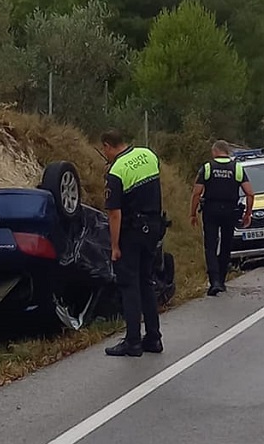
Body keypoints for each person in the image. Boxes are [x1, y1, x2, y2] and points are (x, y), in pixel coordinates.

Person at [101, 129, 164, 357]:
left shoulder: (116, 171)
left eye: (104, 150)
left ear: (108, 146)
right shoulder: (148, 154)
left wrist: (115, 246)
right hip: (154, 228)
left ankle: (133, 342)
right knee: (146, 281)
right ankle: (154, 338)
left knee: (129, 285)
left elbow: (114, 214)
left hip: (132, 233)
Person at [190, 140, 255, 296]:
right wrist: (248, 213)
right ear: (227, 152)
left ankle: (214, 282)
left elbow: (197, 193)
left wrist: (192, 213)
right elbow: (250, 193)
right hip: (230, 211)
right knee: (226, 244)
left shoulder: (207, 168)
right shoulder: (237, 168)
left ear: (215, 151)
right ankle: (222, 279)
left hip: (211, 211)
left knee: (210, 246)